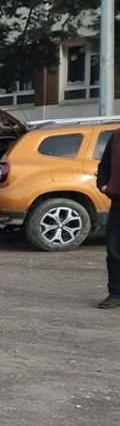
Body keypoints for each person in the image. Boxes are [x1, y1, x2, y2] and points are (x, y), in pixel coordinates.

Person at [94, 132, 120, 308]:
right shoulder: (117, 137)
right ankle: (116, 294)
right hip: (119, 203)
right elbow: (104, 167)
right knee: (114, 250)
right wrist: (104, 186)